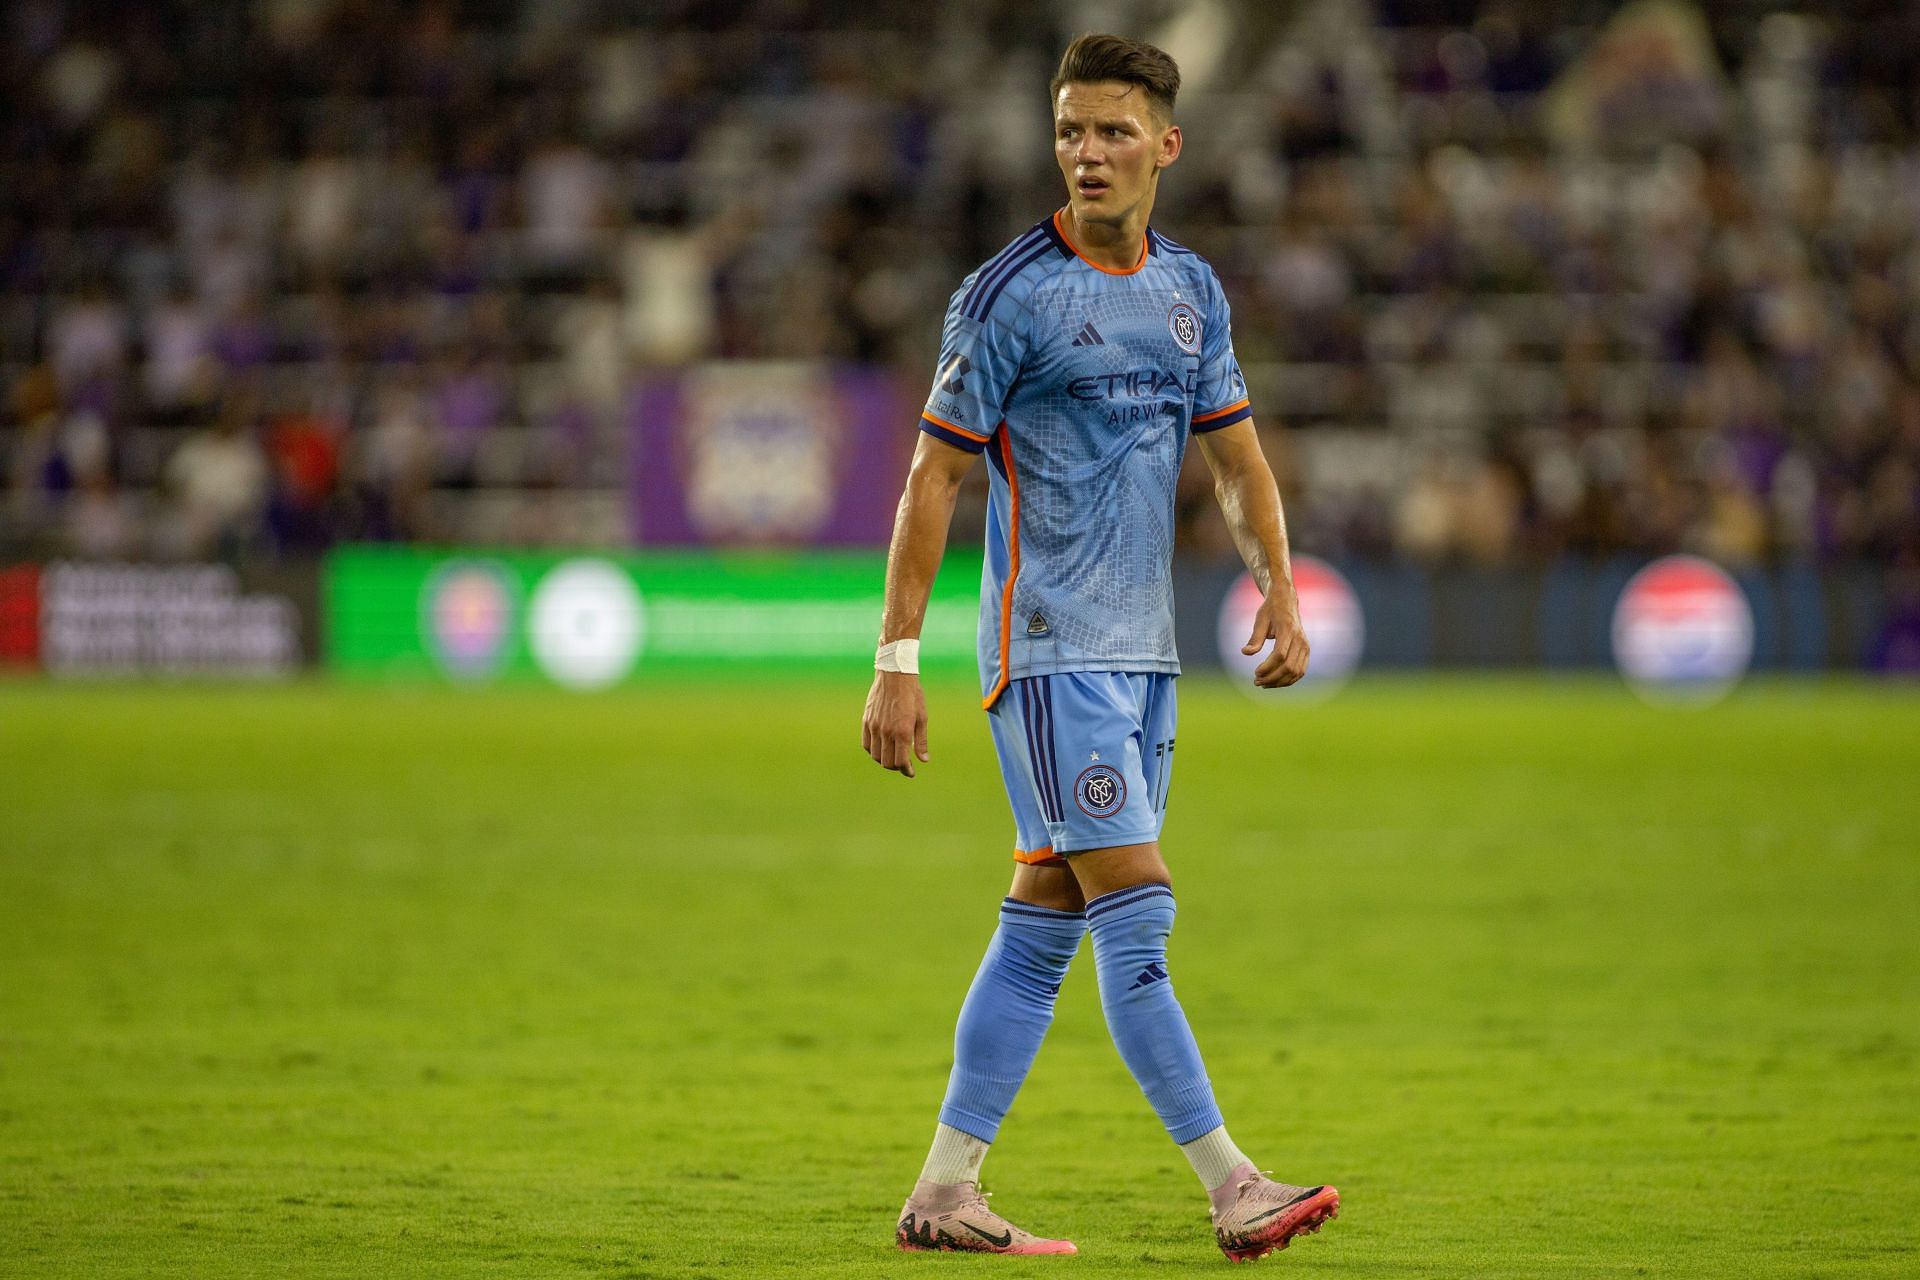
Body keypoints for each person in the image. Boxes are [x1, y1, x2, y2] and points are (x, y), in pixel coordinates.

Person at [860, 32, 1337, 1264]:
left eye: (1114, 131)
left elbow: (1235, 455)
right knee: (1140, 916)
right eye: (1071, 130)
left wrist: (1278, 590)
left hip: (1146, 657)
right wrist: (896, 659)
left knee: (1042, 922)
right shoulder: (1009, 293)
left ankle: (944, 1190)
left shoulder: (1192, 292)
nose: (1087, 153)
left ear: (1166, 146)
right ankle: (1234, 1184)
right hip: (1049, 648)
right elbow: (933, 476)